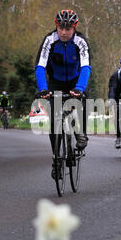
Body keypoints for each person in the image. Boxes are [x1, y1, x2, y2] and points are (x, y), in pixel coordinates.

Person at [34, 9, 92, 179]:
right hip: (56, 82)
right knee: (54, 120)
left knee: (79, 103)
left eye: (68, 29)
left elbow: (86, 67)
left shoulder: (81, 41)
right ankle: (57, 160)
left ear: (74, 28)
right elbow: (40, 66)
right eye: (61, 28)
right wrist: (43, 89)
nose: (64, 32)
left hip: (75, 80)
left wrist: (80, 89)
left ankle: (80, 132)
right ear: (56, 26)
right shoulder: (49, 40)